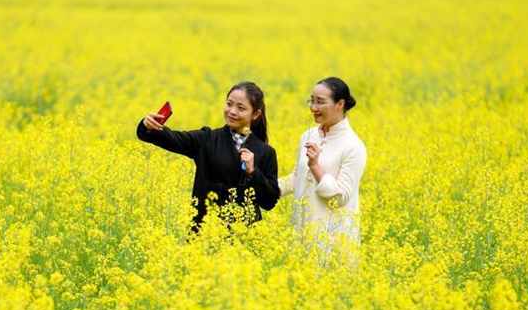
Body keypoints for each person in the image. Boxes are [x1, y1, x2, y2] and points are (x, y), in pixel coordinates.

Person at [137, 82, 281, 236]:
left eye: (241, 108)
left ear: (255, 114)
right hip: (204, 232)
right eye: (229, 104)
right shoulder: (207, 139)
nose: (232, 111)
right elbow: (173, 138)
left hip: (244, 237)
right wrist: (149, 126)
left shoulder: (266, 153)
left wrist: (253, 172)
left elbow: (269, 201)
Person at [278, 77, 367, 249]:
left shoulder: (354, 146)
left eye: (320, 102)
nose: (313, 107)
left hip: (332, 241)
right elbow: (297, 179)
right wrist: (261, 187)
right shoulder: (308, 136)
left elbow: (341, 197)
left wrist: (315, 166)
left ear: (340, 104)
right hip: (300, 234)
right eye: (312, 101)